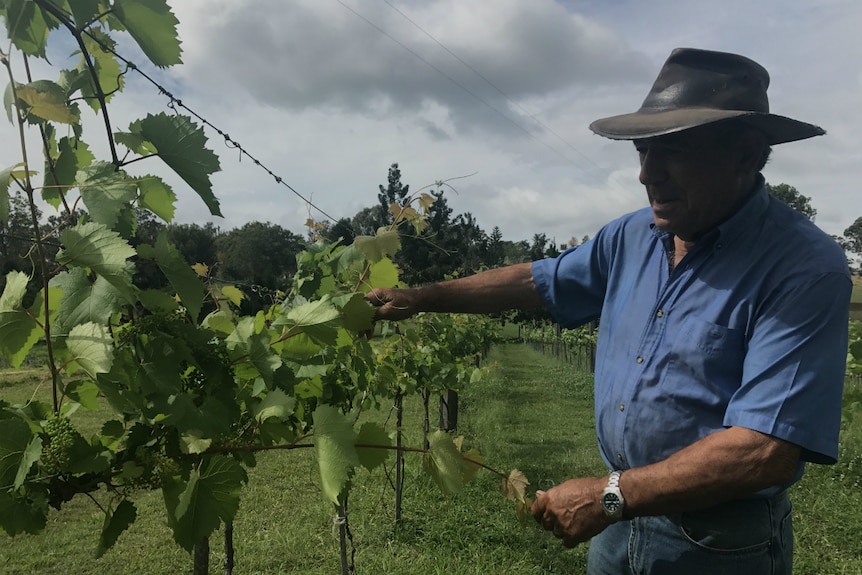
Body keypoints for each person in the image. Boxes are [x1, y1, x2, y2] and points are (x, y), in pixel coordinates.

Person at [366, 47, 851, 574]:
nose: (647, 174)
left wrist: (608, 496)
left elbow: (764, 450)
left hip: (716, 543)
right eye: (642, 151)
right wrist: (421, 298)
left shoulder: (801, 267)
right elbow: (538, 280)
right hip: (619, 527)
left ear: (746, 154)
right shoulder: (631, 236)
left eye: (672, 152)